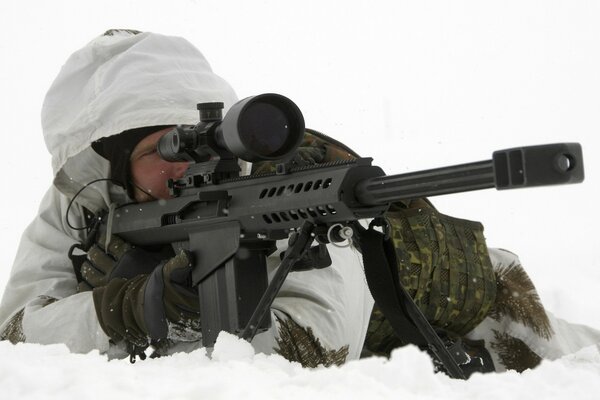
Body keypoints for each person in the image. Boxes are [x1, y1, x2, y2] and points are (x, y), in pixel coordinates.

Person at [0, 29, 598, 373]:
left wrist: (159, 312)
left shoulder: (284, 193)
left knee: (576, 364)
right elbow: (14, 336)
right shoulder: (83, 204)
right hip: (377, 345)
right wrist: (126, 308)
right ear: (110, 164)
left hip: (484, 303)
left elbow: (307, 349)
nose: (189, 165)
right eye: (163, 149)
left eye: (193, 141)